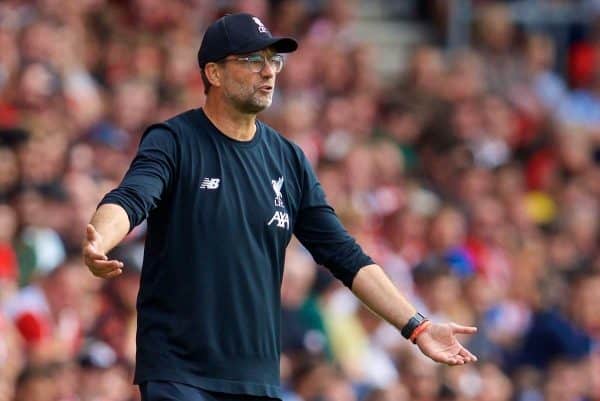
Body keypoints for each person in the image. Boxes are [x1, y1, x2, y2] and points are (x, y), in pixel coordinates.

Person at [82, 13, 478, 401]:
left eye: (274, 60)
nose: (268, 71)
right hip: (180, 373)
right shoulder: (175, 140)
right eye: (253, 60)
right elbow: (132, 198)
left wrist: (419, 328)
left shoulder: (287, 158)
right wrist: (101, 238)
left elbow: (344, 255)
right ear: (214, 73)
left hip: (257, 377)